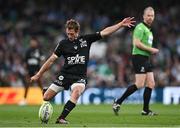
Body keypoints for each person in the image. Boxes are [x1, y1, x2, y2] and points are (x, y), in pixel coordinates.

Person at [30, 18, 135, 124]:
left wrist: (120, 25)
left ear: (77, 32)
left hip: (79, 77)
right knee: (46, 97)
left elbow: (105, 32)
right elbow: (51, 60)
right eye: (68, 34)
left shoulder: (86, 40)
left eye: (71, 34)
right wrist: (39, 74)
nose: (69, 36)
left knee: (76, 92)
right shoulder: (63, 44)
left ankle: (61, 118)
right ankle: (47, 90)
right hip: (65, 75)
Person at [112, 6, 159, 116]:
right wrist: (151, 49)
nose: (150, 17)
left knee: (151, 83)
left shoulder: (149, 30)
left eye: (152, 16)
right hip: (139, 57)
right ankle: (118, 102)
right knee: (139, 84)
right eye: (148, 15)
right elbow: (136, 43)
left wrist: (149, 52)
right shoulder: (140, 27)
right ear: (143, 16)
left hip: (145, 58)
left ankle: (145, 110)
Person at [19, 38, 44, 105]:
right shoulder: (28, 51)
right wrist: (26, 70)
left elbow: (42, 60)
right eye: (32, 42)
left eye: (34, 42)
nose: (33, 43)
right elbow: (25, 62)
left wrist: (41, 71)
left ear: (36, 43)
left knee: (40, 85)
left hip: (37, 70)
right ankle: (24, 99)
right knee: (27, 84)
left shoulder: (39, 51)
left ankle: (44, 99)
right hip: (29, 70)